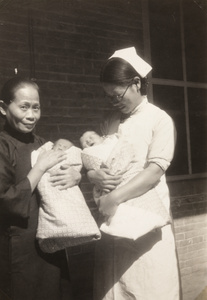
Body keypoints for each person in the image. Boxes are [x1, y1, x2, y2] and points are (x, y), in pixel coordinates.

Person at [87, 47, 181, 300]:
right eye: (108, 97)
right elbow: (98, 158)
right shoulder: (110, 121)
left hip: (145, 222)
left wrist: (114, 198)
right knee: (114, 288)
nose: (113, 102)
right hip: (113, 222)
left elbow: (154, 171)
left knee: (149, 287)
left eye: (117, 95)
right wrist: (93, 176)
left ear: (136, 83)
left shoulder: (158, 120)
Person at [0, 77, 81, 300]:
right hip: (17, 249)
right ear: (3, 107)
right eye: (23, 107)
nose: (31, 115)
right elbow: (5, 200)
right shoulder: (3, 146)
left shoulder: (42, 144)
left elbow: (62, 176)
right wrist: (40, 167)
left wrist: (75, 176)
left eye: (36, 107)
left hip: (49, 243)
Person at [80, 130, 171, 240]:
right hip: (111, 191)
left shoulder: (160, 119)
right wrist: (91, 174)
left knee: (145, 218)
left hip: (138, 186)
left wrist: (113, 198)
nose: (88, 140)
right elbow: (90, 162)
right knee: (121, 225)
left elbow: (156, 170)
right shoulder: (109, 121)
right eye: (84, 142)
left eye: (91, 136)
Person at [31, 138, 101, 254]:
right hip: (40, 201)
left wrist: (77, 175)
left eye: (65, 147)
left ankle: (84, 230)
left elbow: (75, 163)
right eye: (59, 145)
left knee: (71, 210)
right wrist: (41, 166)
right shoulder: (43, 151)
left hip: (65, 191)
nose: (61, 148)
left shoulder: (41, 141)